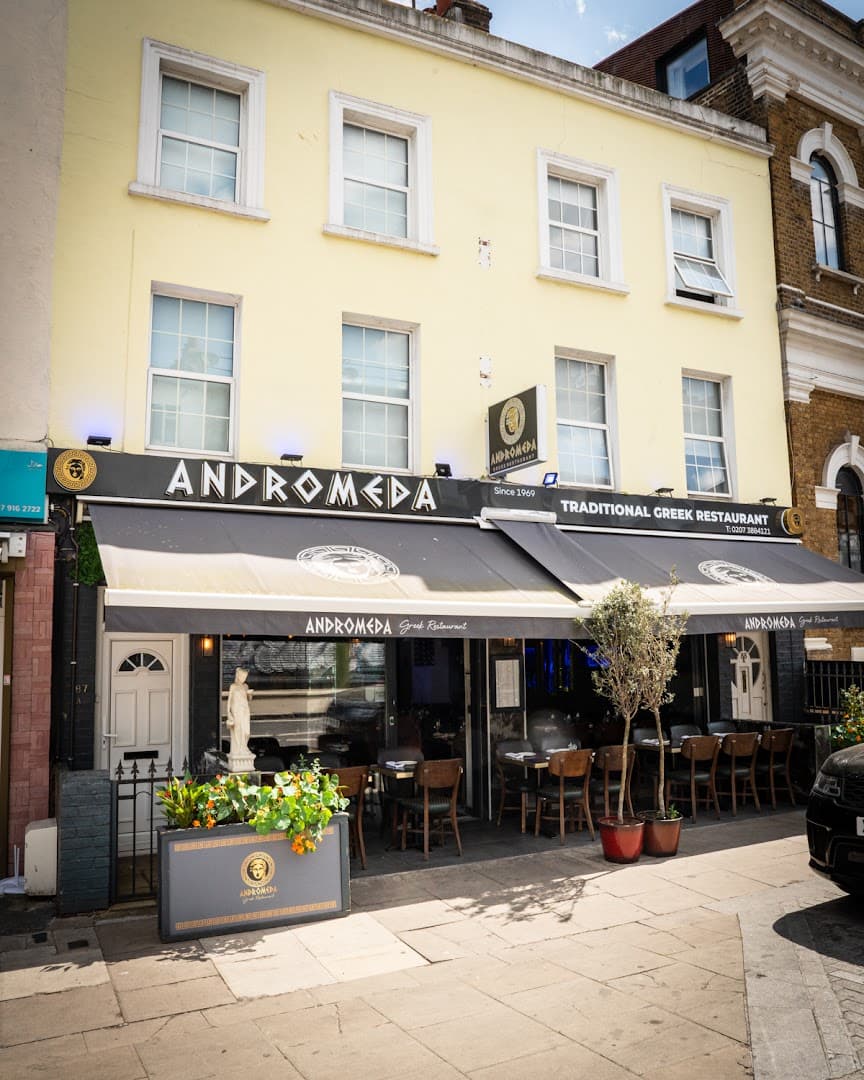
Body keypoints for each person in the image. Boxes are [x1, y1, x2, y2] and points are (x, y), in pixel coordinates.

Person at [226, 666, 253, 763]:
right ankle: (239, 750)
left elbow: (248, 700)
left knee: (246, 732)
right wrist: (228, 713)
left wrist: (250, 694)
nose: (244, 679)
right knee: (238, 731)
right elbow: (229, 701)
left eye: (245, 677)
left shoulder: (245, 686)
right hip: (236, 711)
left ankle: (244, 747)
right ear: (238, 676)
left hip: (245, 710)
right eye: (243, 677)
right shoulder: (233, 686)